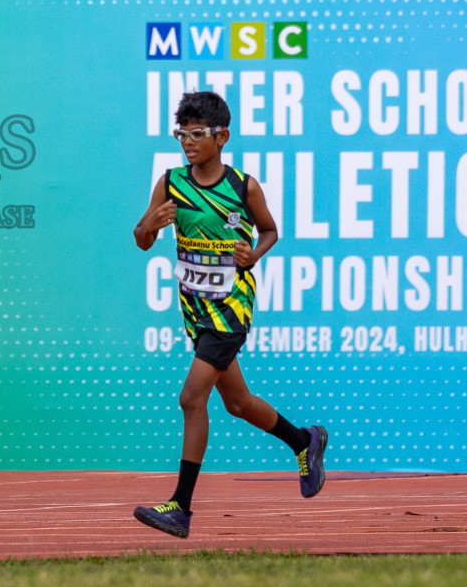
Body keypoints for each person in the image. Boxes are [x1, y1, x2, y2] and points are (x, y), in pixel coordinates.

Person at [129, 90, 327, 538]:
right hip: (195, 309)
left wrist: (252, 254)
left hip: (231, 308)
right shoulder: (170, 182)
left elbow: (271, 230)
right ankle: (305, 441)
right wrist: (150, 226)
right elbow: (141, 238)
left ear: (222, 137)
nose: (187, 142)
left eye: (197, 134)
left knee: (191, 398)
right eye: (182, 133)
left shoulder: (243, 186)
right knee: (237, 403)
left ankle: (180, 507)